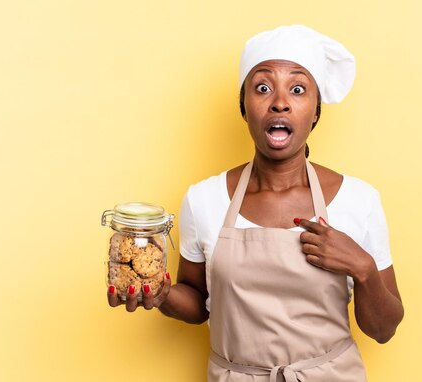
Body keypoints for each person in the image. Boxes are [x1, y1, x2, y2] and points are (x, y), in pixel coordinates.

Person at [108, 25, 404, 381]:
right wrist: (161, 294)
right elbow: (198, 301)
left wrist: (364, 268)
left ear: (315, 111)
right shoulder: (204, 199)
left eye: (298, 89)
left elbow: (384, 330)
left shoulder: (359, 200)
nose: (280, 101)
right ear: (244, 108)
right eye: (262, 87)